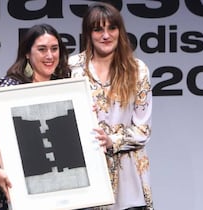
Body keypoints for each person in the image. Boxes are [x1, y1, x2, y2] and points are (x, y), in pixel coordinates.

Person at [0, 23, 71, 210]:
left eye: (54, 48)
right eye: (42, 49)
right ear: (27, 53)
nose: (50, 56)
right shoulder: (9, 87)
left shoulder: (66, 88)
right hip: (11, 182)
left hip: (56, 183)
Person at [68, 2, 154, 210]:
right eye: (98, 29)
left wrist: (111, 140)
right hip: (84, 175)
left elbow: (143, 130)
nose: (106, 35)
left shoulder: (137, 70)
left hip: (127, 179)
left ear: (120, 31)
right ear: (88, 34)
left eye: (112, 28)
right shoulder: (73, 68)